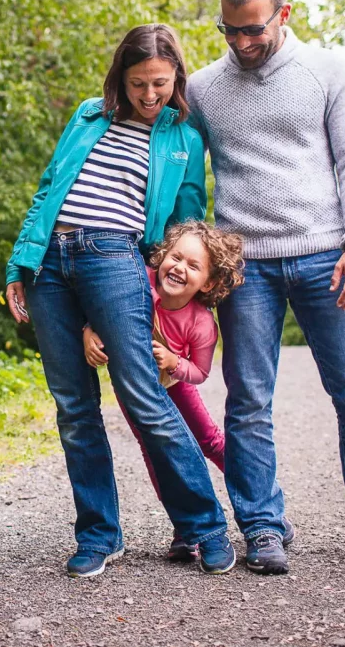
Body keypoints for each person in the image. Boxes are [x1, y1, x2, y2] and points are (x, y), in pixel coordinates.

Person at [186, 0, 345, 575]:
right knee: (247, 401)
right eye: (229, 30)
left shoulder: (328, 70)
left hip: (326, 256)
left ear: (283, 15)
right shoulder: (205, 88)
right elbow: (182, 169)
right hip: (246, 268)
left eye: (254, 30)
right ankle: (262, 526)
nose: (242, 43)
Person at [5, 24, 236, 578]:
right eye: (137, 84)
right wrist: (20, 260)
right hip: (50, 263)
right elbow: (48, 187)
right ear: (120, 78)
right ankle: (99, 535)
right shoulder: (90, 113)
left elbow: (182, 224)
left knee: (144, 398)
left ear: (176, 77)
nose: (149, 95)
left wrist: (166, 294)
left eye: (159, 83)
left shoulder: (183, 137)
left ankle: (206, 526)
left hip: (115, 259)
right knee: (74, 408)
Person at [81, 221, 252, 562]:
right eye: (176, 257)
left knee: (209, 441)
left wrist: (175, 362)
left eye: (193, 266)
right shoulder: (139, 280)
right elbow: (105, 307)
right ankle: (184, 527)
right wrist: (89, 330)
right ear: (161, 256)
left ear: (210, 281)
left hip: (176, 388)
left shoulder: (201, 323)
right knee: (155, 452)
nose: (179, 268)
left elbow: (199, 372)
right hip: (134, 388)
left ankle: (256, 503)